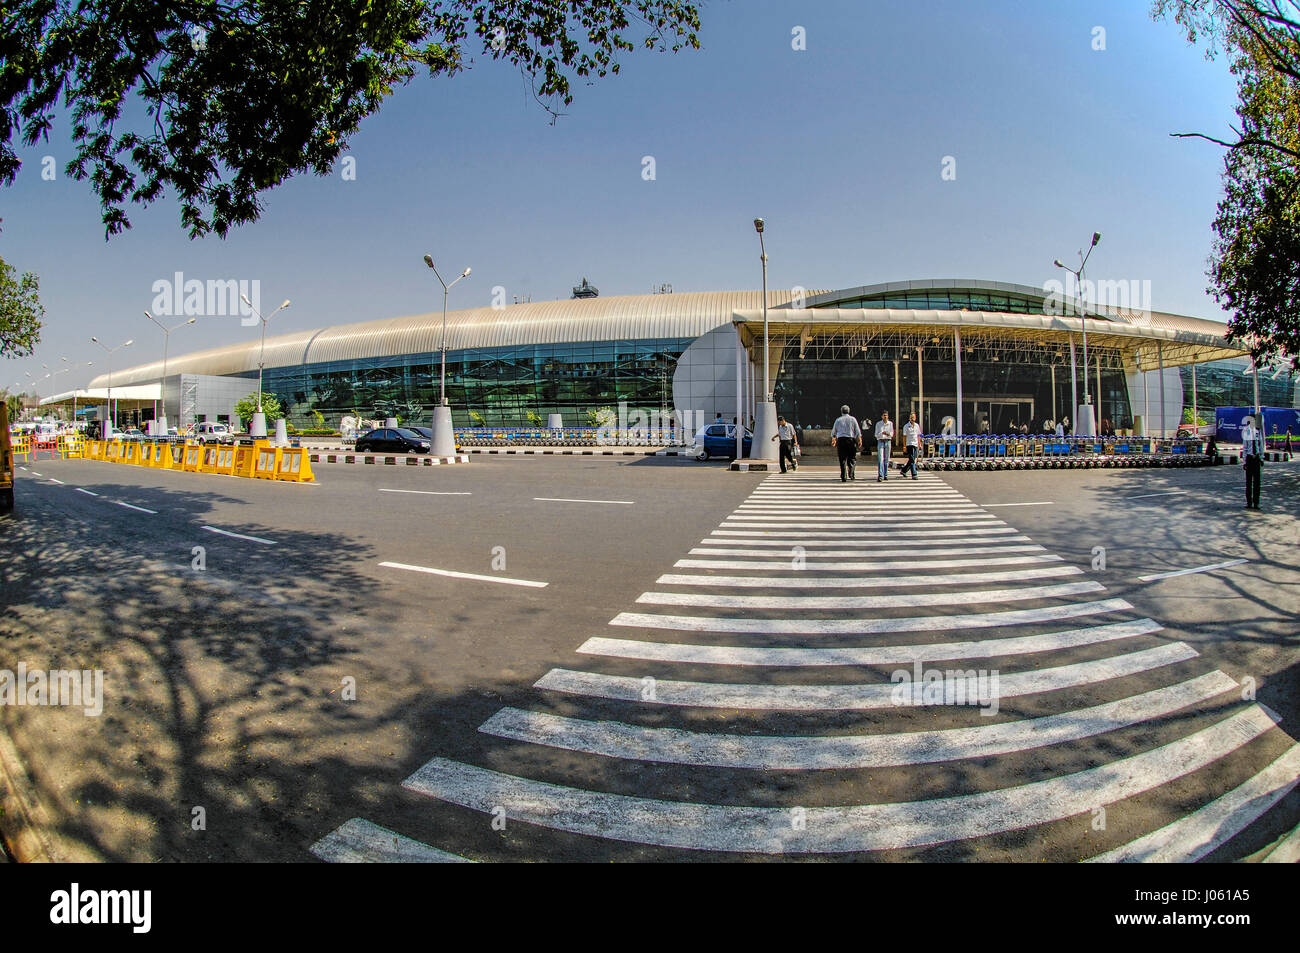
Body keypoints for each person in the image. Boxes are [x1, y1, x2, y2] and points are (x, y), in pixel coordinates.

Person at [830, 404, 862, 482]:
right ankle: (851, 472)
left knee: (842, 459)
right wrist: (860, 440)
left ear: (841, 411)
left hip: (841, 441)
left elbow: (834, 432)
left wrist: (833, 440)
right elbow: (857, 431)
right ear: (848, 411)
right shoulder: (853, 419)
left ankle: (843, 476)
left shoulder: (838, 420)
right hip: (851, 440)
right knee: (852, 458)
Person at [1242, 414, 1264, 509]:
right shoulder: (1246, 431)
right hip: (1250, 458)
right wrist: (1244, 461)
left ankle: (1256, 502)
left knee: (1257, 482)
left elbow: (1261, 445)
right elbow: (1245, 447)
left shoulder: (1258, 431)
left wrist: (1261, 458)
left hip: (1257, 458)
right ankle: (1249, 502)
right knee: (1249, 482)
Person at [874, 410, 895, 481]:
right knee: (880, 458)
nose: (885, 417)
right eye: (884, 415)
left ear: (888, 416)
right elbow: (876, 435)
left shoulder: (890, 424)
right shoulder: (878, 424)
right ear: (882, 416)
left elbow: (892, 434)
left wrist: (887, 433)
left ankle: (885, 475)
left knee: (886, 459)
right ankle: (880, 475)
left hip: (888, 441)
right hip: (880, 441)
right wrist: (881, 433)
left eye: (886, 415)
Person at [900, 411, 920, 480]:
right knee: (912, 460)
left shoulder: (917, 425)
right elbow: (904, 437)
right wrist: (904, 446)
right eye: (911, 418)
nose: (912, 419)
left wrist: (919, 444)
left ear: (915, 418)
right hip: (909, 444)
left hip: (915, 444)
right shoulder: (906, 426)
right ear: (909, 418)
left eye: (913, 417)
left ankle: (904, 470)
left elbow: (918, 436)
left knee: (912, 459)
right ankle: (914, 474)